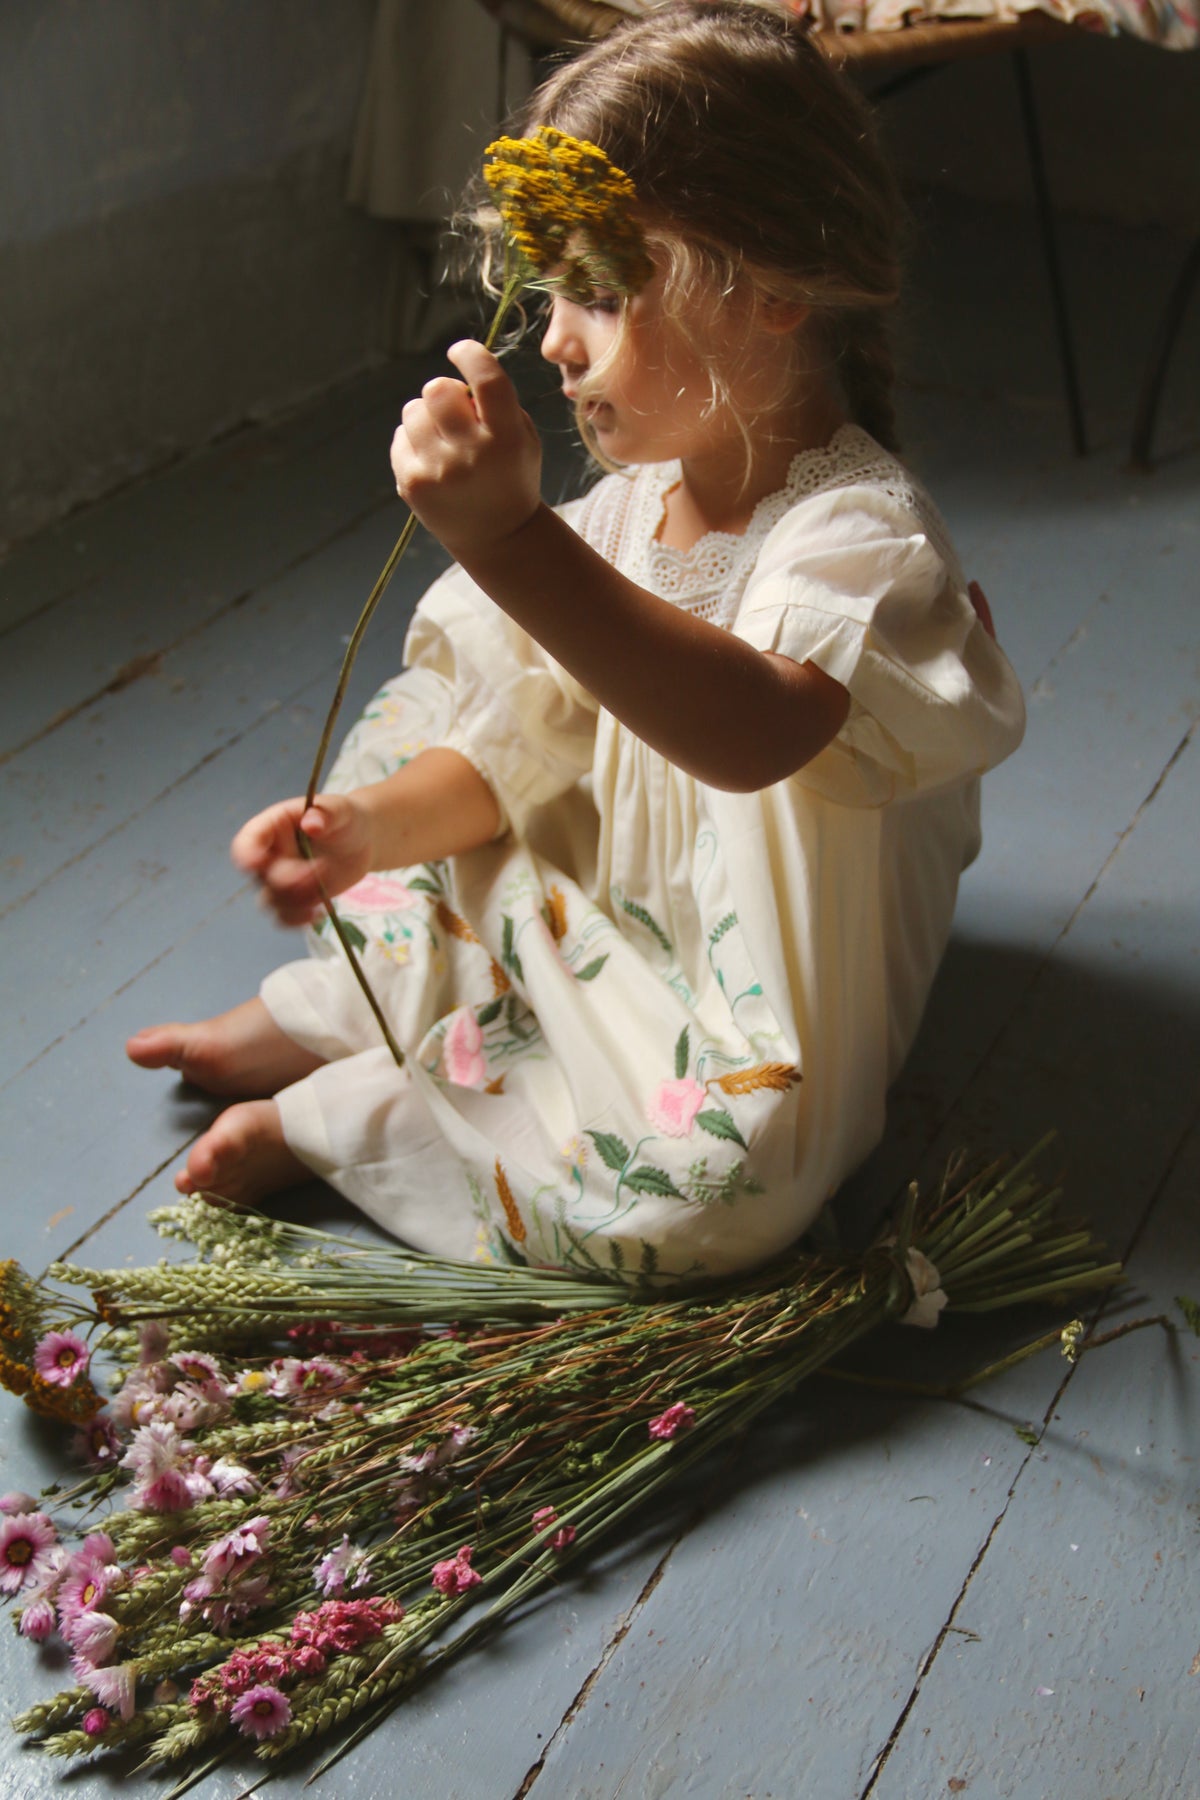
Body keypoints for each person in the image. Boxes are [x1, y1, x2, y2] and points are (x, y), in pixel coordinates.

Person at [127, 0, 1025, 1282]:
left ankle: (361, 1116)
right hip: (604, 912)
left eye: (600, 293)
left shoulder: (856, 541)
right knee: (423, 739)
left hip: (741, 1022)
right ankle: (330, 1012)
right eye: (547, 294)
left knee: (717, 1193)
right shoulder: (619, 519)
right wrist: (373, 827)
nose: (553, 342)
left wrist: (507, 543)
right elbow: (519, 755)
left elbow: (751, 731)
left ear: (770, 286)